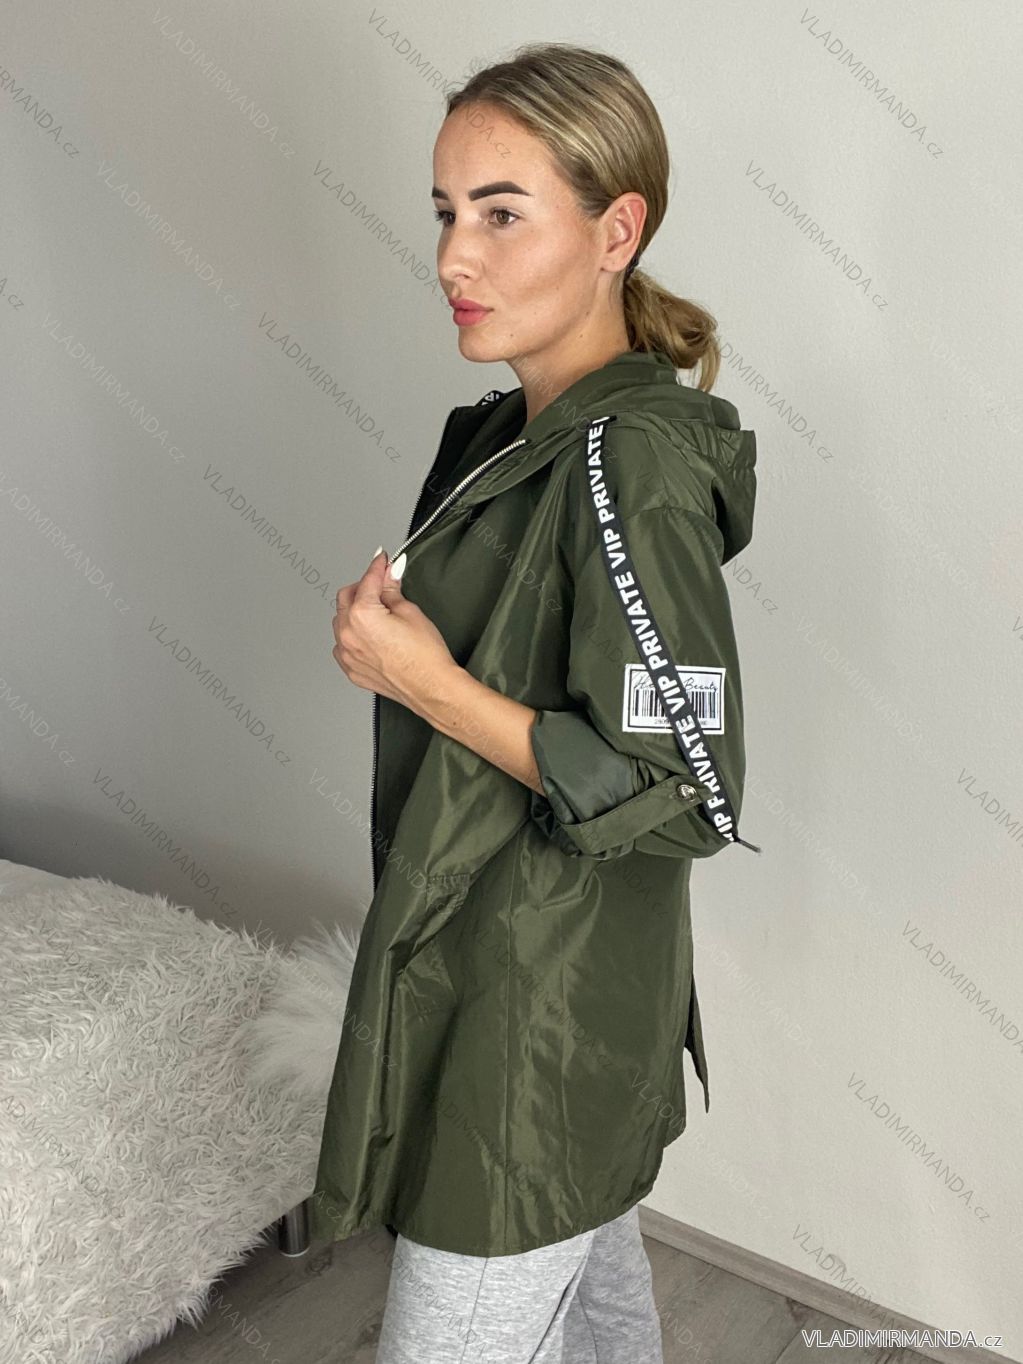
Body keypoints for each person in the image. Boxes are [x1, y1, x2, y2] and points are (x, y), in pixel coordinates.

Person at [313, 40, 759, 1363]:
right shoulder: (500, 438)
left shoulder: (632, 466)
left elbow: (692, 791)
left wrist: (427, 684)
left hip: (538, 1027)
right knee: (598, 1299)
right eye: (447, 213)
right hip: (496, 974)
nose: (456, 256)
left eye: (503, 214)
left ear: (617, 231)